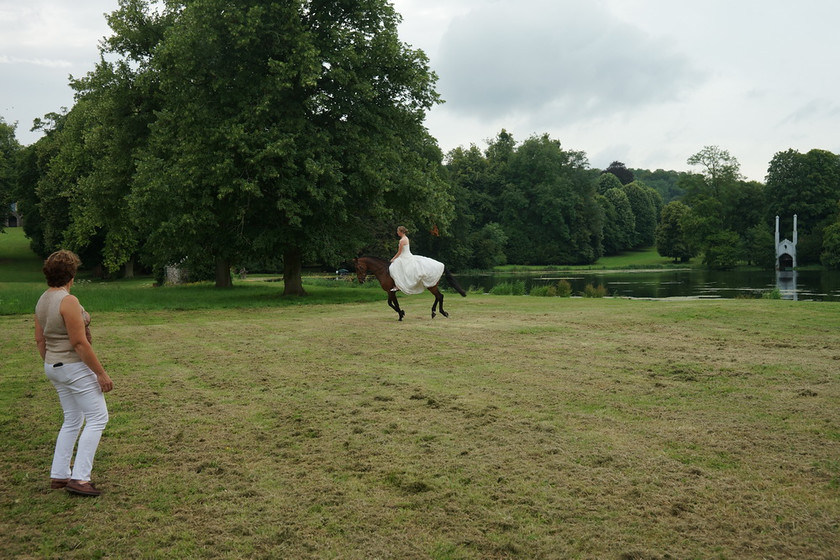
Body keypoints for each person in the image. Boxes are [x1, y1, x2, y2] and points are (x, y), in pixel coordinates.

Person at [34, 250, 113, 497]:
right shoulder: (68, 301)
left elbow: (39, 339)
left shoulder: (43, 300)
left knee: (72, 419)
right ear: (72, 274)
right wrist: (101, 374)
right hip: (72, 366)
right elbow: (79, 343)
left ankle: (59, 474)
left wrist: (52, 363)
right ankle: (80, 478)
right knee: (98, 418)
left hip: (53, 365)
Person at [388, 226, 445, 294]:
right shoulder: (406, 238)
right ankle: (398, 285)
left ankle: (398, 285)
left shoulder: (402, 240)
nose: (397, 233)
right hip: (407, 255)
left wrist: (393, 258)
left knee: (393, 267)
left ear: (400, 232)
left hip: (404, 256)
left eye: (398, 231)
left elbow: (399, 252)